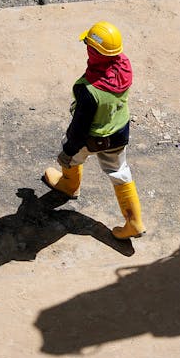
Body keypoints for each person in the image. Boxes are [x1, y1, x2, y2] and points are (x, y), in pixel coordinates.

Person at [42, 21, 145, 240]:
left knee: (71, 156)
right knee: (119, 172)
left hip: (93, 138)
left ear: (94, 51)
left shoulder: (87, 89)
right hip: (119, 131)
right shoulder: (124, 66)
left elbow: (79, 127)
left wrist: (68, 150)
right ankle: (134, 222)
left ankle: (69, 185)